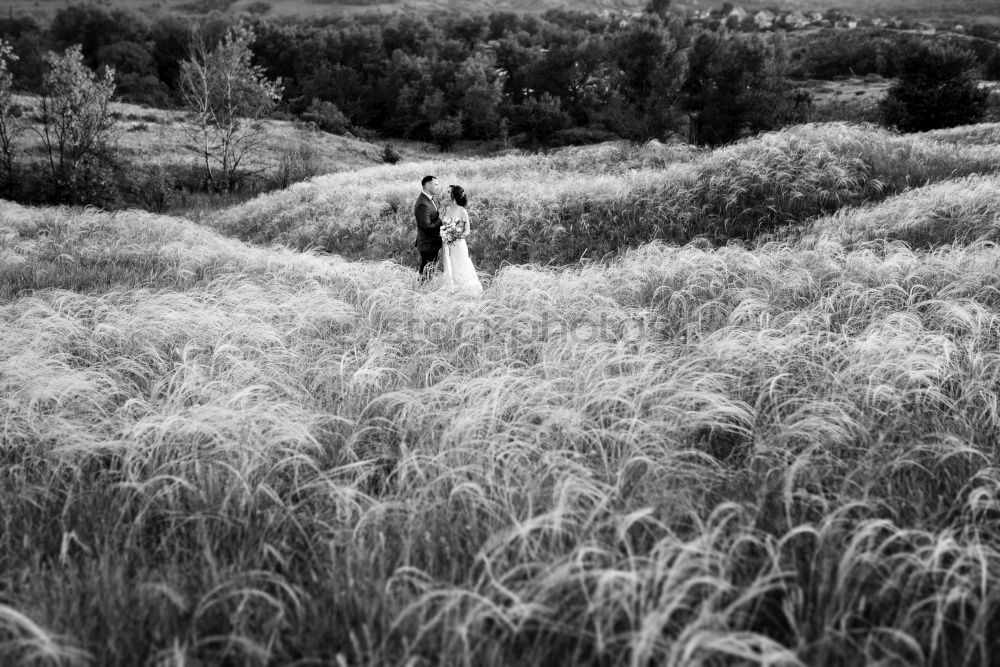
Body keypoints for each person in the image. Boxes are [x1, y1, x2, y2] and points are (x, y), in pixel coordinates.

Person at [439, 184, 483, 295]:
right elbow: (442, 224)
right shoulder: (447, 209)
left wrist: (455, 236)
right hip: (446, 244)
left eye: (449, 192)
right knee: (449, 265)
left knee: (461, 264)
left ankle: (467, 291)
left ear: (454, 195)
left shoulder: (462, 211)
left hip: (458, 244)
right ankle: (452, 289)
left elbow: (467, 230)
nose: (446, 193)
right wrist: (445, 232)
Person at [414, 175, 443, 281]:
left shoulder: (429, 199)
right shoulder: (423, 203)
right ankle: (422, 293)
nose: (438, 187)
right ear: (427, 185)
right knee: (426, 272)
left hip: (432, 243)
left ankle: (423, 291)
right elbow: (426, 227)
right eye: (436, 184)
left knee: (428, 272)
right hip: (428, 244)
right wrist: (440, 219)